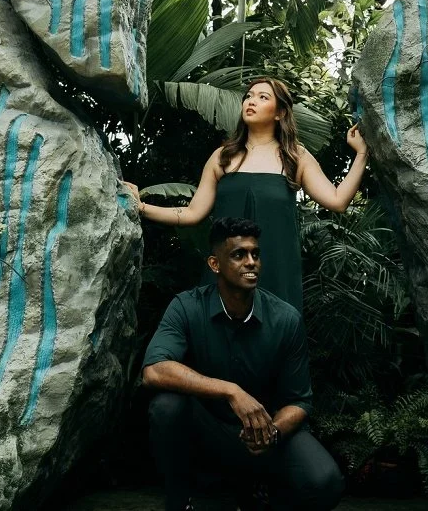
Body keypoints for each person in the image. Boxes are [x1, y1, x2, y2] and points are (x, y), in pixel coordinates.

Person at [142, 216, 344, 511]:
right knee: (166, 406)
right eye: (239, 255)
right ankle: (179, 502)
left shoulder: (285, 319)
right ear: (215, 264)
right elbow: (154, 370)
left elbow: (299, 401)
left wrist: (272, 432)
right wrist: (231, 391)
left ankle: (261, 495)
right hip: (208, 431)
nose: (251, 262)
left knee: (325, 481)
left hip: (264, 437)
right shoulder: (187, 306)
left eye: (255, 254)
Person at [122, 77, 368, 311]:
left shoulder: (296, 156)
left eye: (263, 97)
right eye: (248, 96)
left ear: (280, 113)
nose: (251, 101)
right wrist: (142, 207)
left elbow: (337, 201)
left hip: (276, 273)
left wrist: (361, 154)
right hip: (225, 273)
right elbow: (192, 213)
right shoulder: (222, 157)